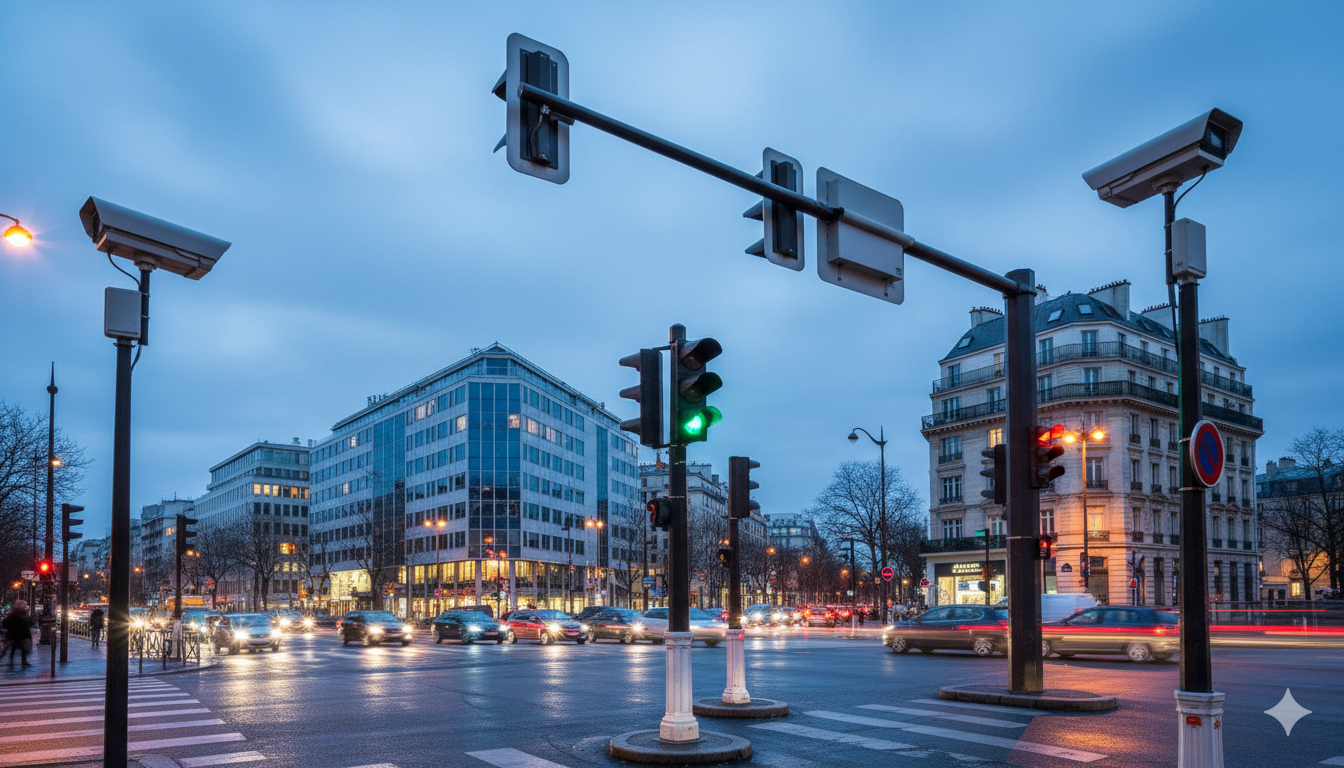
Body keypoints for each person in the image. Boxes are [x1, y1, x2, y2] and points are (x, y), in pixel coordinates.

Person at [4, 601, 34, 667]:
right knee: (21, 648)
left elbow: (5, 623)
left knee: (14, 648)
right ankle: (23, 661)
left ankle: (14, 661)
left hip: (15, 634)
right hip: (22, 634)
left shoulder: (13, 615)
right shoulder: (23, 615)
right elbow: (29, 623)